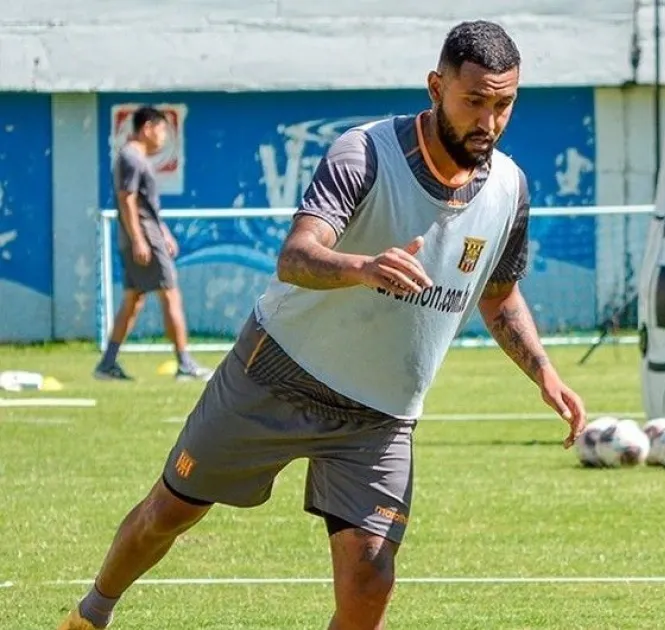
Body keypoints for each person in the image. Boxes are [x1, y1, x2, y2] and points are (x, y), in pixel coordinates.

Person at [60, 20, 587, 630]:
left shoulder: (511, 189)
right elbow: (296, 256)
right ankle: (91, 613)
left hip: (381, 415)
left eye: (504, 105)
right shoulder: (364, 151)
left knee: (371, 578)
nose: (489, 122)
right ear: (435, 87)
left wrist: (545, 373)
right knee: (170, 512)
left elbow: (499, 295)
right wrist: (362, 267)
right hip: (277, 374)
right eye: (474, 101)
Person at [93, 106, 212, 382]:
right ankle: (185, 364)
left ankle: (107, 363)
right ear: (146, 128)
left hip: (147, 235)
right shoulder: (131, 158)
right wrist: (139, 240)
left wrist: (165, 233)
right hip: (143, 238)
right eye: (160, 130)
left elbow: (146, 205)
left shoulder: (136, 158)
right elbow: (127, 199)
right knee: (170, 294)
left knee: (133, 300)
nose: (163, 137)